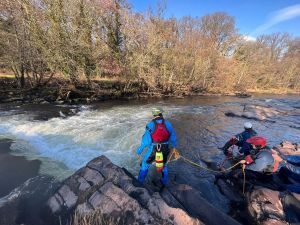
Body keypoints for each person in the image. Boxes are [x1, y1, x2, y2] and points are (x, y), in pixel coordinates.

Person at [136, 107, 177, 185]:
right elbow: (173, 138)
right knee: (163, 164)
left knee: (145, 164)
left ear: (154, 115)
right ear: (161, 114)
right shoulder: (168, 123)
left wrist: (139, 150)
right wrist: (174, 147)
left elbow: (146, 142)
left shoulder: (150, 124)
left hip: (154, 149)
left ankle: (139, 183)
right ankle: (165, 182)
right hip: (165, 148)